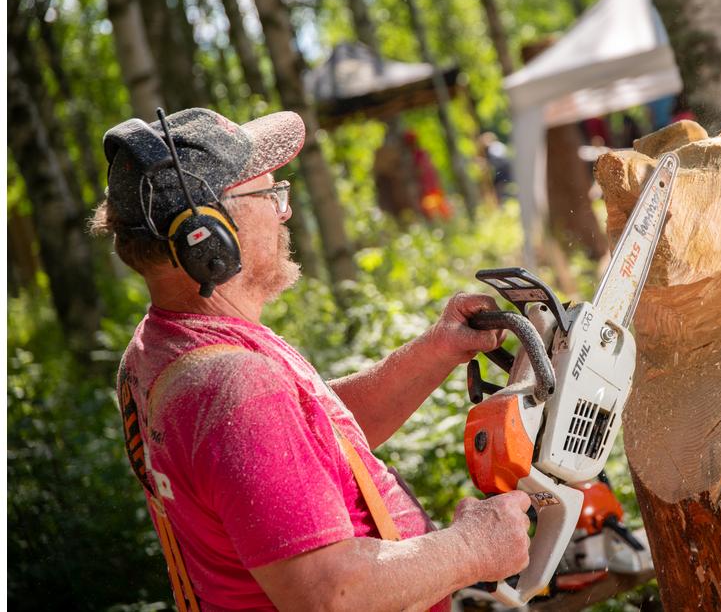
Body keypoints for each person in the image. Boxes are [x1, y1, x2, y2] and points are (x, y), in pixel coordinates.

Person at [90, 108, 531, 611]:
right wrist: (473, 548)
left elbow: (306, 440)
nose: (285, 212)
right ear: (207, 235)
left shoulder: (164, 346)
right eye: (270, 195)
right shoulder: (233, 386)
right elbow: (330, 595)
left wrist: (437, 349)